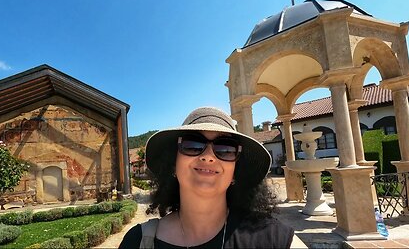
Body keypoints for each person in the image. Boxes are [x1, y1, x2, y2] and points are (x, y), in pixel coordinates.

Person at [119, 106, 294, 248]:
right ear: (173, 164)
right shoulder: (137, 242)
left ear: (235, 172)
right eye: (193, 145)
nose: (208, 156)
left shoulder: (272, 239)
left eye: (225, 148)